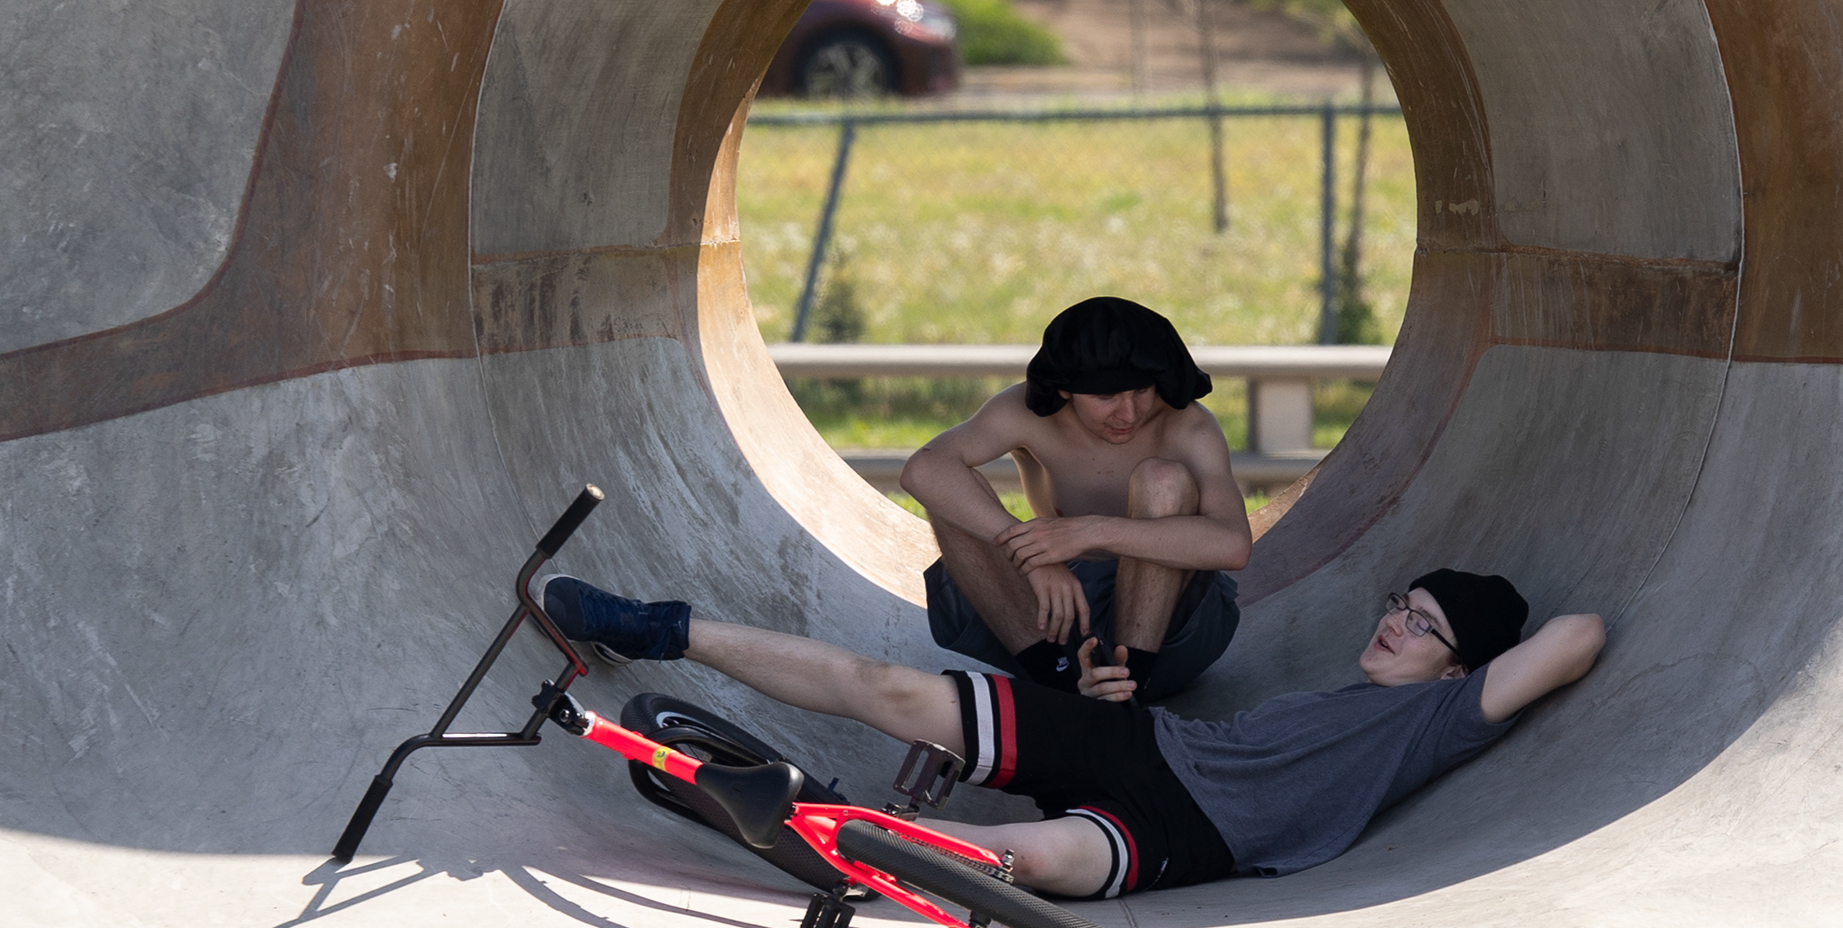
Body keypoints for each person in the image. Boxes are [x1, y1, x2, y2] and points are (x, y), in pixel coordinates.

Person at [545, 568, 1605, 897]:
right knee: (895, 688)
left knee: (1022, 863)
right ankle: (657, 629)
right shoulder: (1352, 696)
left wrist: (1473, 674)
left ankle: (820, 823)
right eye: (1399, 603)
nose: (1392, 624)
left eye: (1423, 627)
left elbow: (1577, 636)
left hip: (1196, 841)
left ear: (1460, 670)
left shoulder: (1439, 719)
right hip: (1143, 748)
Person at [900, 296, 1252, 701]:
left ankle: (1126, 685)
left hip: (1169, 626)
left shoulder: (1188, 424)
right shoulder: (1026, 411)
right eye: (1106, 398)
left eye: (1141, 391)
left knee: (1163, 479)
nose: (1129, 413)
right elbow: (923, 470)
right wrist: (1033, 556)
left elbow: (1233, 545)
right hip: (1048, 621)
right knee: (950, 491)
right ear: (1065, 390)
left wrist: (1090, 531)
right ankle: (1060, 684)